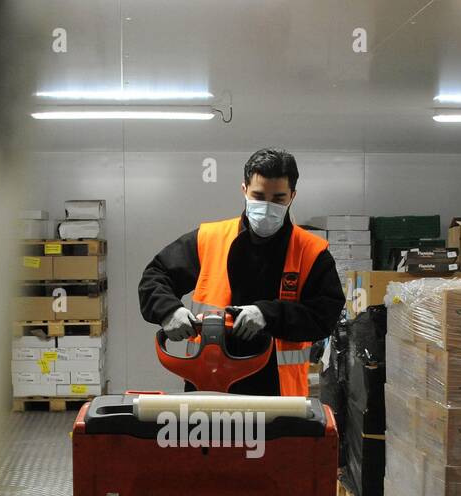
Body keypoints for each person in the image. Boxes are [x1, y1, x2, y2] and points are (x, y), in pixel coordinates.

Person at [138, 147, 345, 396]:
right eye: (258, 196)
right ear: (244, 190)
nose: (267, 206)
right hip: (210, 385)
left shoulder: (311, 252)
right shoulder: (210, 239)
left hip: (277, 395)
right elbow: (155, 276)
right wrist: (169, 311)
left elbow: (325, 315)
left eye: (278, 198)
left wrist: (267, 315)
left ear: (292, 195)